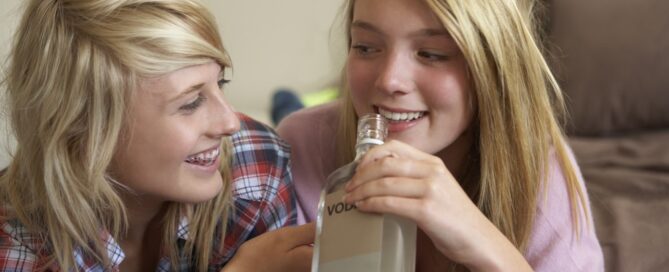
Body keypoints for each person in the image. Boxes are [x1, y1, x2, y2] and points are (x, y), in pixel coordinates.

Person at [277, 0, 604, 271]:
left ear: (492, 66)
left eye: (431, 53)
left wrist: (484, 243)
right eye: (365, 47)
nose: (390, 80)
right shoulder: (303, 145)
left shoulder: (536, 171)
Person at [0, 0, 312, 271]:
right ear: (83, 129)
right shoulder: (15, 242)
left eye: (221, 83)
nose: (230, 123)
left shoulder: (258, 168)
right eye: (190, 103)